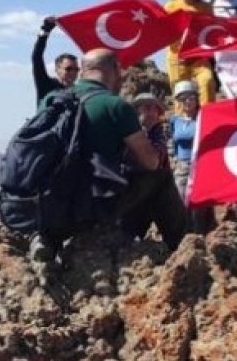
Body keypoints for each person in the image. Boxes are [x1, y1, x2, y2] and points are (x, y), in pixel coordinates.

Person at [34, 49, 187, 260]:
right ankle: (184, 248)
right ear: (115, 69)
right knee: (158, 179)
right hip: (91, 210)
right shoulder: (115, 106)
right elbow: (150, 162)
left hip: (50, 206)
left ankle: (49, 239)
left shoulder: (52, 99)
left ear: (84, 71)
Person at [123, 92, 185, 241]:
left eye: (154, 109)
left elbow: (157, 157)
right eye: (147, 108)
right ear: (137, 111)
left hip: (159, 191)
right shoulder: (126, 132)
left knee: (178, 232)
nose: (151, 112)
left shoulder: (160, 132)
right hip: (134, 191)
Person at [164, 0, 217, 103]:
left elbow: (212, 33)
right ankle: (183, 123)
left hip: (198, 56)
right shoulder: (170, 7)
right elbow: (162, 32)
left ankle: (208, 118)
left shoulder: (207, 8)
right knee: (181, 93)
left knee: (207, 80)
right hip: (177, 58)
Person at [32, 16, 79, 103]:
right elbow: (37, 57)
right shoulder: (46, 85)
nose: (73, 72)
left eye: (76, 69)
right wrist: (46, 30)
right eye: (68, 69)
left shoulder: (79, 92)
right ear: (57, 70)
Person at [168, 81, 200, 201]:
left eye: (191, 98)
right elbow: (171, 141)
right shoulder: (175, 120)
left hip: (199, 166)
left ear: (196, 99)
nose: (187, 101)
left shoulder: (203, 119)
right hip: (181, 167)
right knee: (180, 201)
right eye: (183, 98)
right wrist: (174, 160)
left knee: (198, 205)